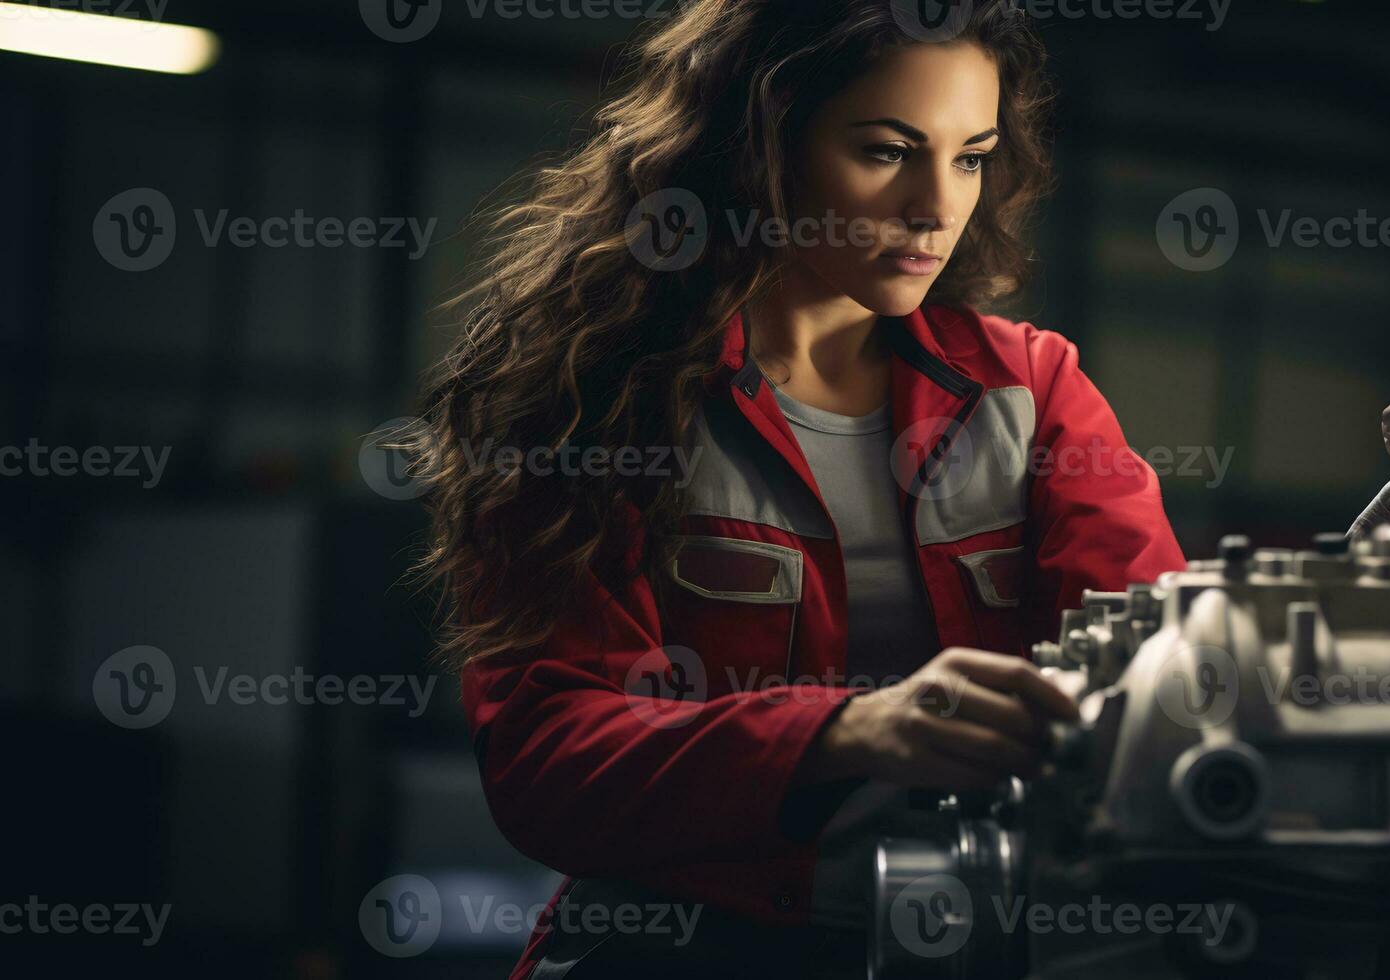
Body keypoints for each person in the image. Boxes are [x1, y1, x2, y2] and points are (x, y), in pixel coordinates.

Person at [417, 1, 1185, 976]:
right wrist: (849, 728)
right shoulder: (601, 396)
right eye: (886, 150)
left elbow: (1159, 669)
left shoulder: (1032, 390)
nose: (934, 206)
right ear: (759, 144)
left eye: (969, 155)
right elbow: (549, 760)